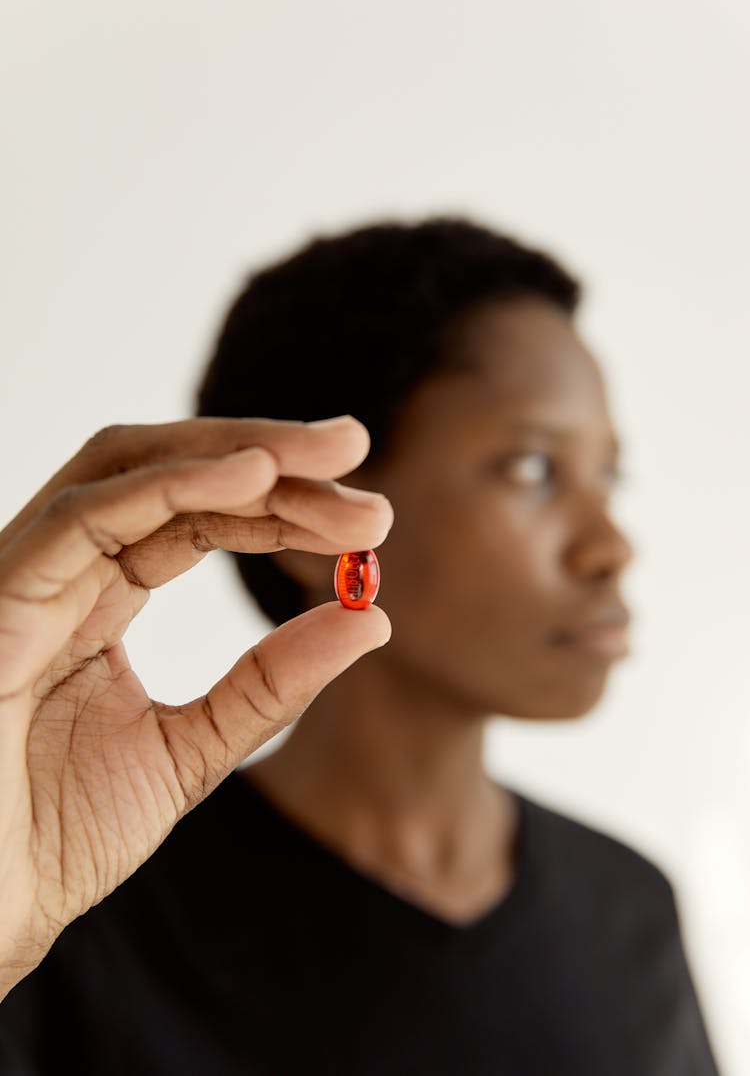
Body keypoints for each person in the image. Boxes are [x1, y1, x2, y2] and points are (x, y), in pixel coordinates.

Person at [0, 217, 719, 1074]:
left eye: (608, 474)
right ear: (317, 529)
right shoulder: (72, 900)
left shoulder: (631, 908)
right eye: (532, 468)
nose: (612, 545)